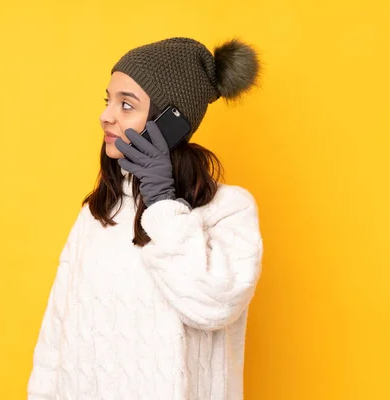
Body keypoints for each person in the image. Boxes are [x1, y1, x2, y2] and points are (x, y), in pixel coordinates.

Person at [27, 36, 263, 400]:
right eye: (108, 101)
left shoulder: (228, 210)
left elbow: (214, 305)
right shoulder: (99, 212)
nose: (106, 115)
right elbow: (56, 338)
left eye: (126, 105)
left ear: (170, 122)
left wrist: (162, 206)